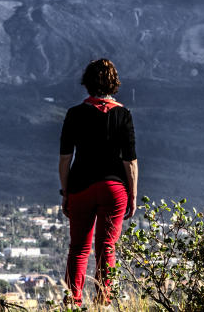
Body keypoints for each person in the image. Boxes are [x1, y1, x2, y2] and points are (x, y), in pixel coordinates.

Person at [59, 58, 138, 306]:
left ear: (87, 83)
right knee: (107, 248)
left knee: (79, 249)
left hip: (80, 187)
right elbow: (130, 162)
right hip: (114, 189)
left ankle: (73, 302)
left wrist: (65, 192)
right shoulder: (123, 115)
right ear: (114, 83)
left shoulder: (74, 114)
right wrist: (133, 194)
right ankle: (103, 302)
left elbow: (64, 159)